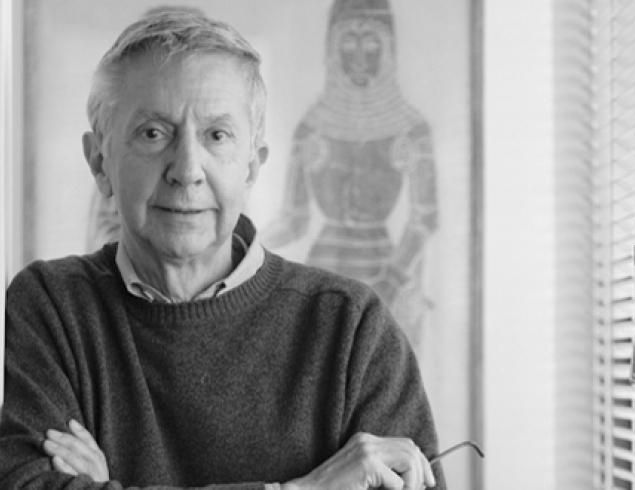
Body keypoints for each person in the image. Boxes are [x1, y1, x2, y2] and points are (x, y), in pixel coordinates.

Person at [0, 8, 444, 490]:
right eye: (153, 133)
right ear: (99, 162)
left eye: (217, 135)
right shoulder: (51, 307)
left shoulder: (354, 330)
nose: (187, 170)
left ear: (251, 166)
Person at [263, 0, 438, 347]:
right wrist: (243, 248)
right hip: (321, 274)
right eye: (348, 41)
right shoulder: (311, 128)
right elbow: (294, 220)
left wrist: (393, 280)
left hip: (385, 273)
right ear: (332, 48)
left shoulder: (410, 129)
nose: (358, 56)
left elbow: (424, 219)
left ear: (388, 48)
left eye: (370, 41)